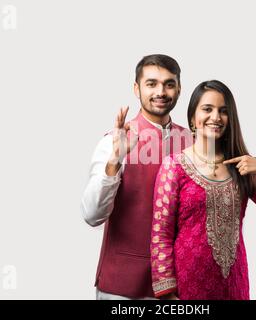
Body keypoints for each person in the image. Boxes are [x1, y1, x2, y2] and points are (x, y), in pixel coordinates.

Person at [150, 80, 256, 300]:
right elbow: (161, 235)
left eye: (223, 111)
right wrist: (167, 296)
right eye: (207, 109)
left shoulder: (243, 166)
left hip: (235, 286)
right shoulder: (174, 167)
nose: (216, 117)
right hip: (188, 289)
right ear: (192, 119)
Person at [81, 54, 191, 299]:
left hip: (178, 285)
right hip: (122, 287)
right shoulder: (114, 140)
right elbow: (91, 215)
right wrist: (115, 160)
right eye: (151, 83)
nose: (160, 91)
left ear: (179, 89)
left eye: (169, 84)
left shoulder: (193, 143)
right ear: (136, 88)